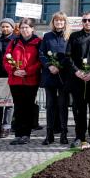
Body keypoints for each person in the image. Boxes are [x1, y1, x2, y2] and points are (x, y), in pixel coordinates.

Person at [63, 11, 90, 148]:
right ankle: (79, 136)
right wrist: (76, 71)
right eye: (84, 20)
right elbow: (68, 56)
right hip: (78, 78)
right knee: (79, 109)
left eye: (89, 20)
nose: (87, 22)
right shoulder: (75, 36)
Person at [3, 18, 42, 145]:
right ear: (19, 29)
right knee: (18, 107)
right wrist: (13, 70)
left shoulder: (38, 42)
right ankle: (18, 134)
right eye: (22, 27)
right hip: (15, 80)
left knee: (28, 107)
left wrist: (27, 71)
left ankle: (26, 134)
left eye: (27, 27)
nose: (25, 30)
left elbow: (40, 61)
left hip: (30, 80)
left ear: (32, 28)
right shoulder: (14, 42)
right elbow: (6, 59)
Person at [38, 12, 71, 145]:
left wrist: (60, 66)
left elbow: (69, 54)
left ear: (65, 22)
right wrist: (49, 65)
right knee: (50, 105)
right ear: (53, 22)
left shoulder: (69, 36)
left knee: (63, 105)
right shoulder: (47, 36)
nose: (59, 23)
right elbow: (41, 53)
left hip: (64, 75)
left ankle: (63, 134)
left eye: (61, 21)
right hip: (49, 74)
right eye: (56, 21)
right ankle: (49, 134)